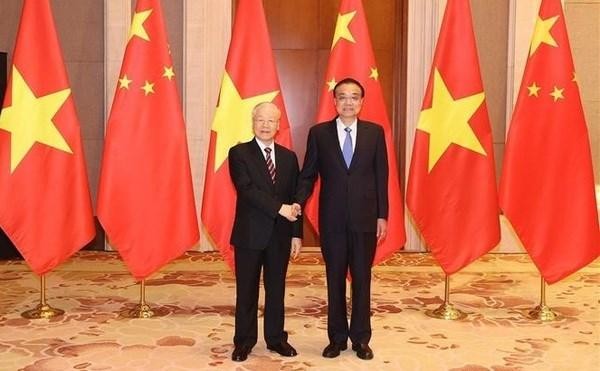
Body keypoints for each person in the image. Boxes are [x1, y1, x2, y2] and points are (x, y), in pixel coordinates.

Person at [295, 78, 388, 360]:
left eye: (354, 97)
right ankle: (336, 338)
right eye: (343, 97)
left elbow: (381, 177)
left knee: (362, 278)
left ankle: (361, 338)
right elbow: (308, 173)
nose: (348, 102)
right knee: (334, 278)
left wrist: (382, 214)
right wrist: (298, 201)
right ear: (334, 102)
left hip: (365, 219)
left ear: (362, 102)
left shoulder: (375, 133)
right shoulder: (319, 134)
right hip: (332, 220)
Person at [228, 102, 303, 362]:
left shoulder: (289, 157)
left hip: (280, 236)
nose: (265, 125)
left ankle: (276, 339)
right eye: (261, 120)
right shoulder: (239, 153)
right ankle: (244, 341)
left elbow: (295, 199)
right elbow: (246, 189)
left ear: (279, 125)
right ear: (253, 122)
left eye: (271, 121)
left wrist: (296, 233)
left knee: (276, 290)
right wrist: (279, 208)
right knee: (246, 290)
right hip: (250, 234)